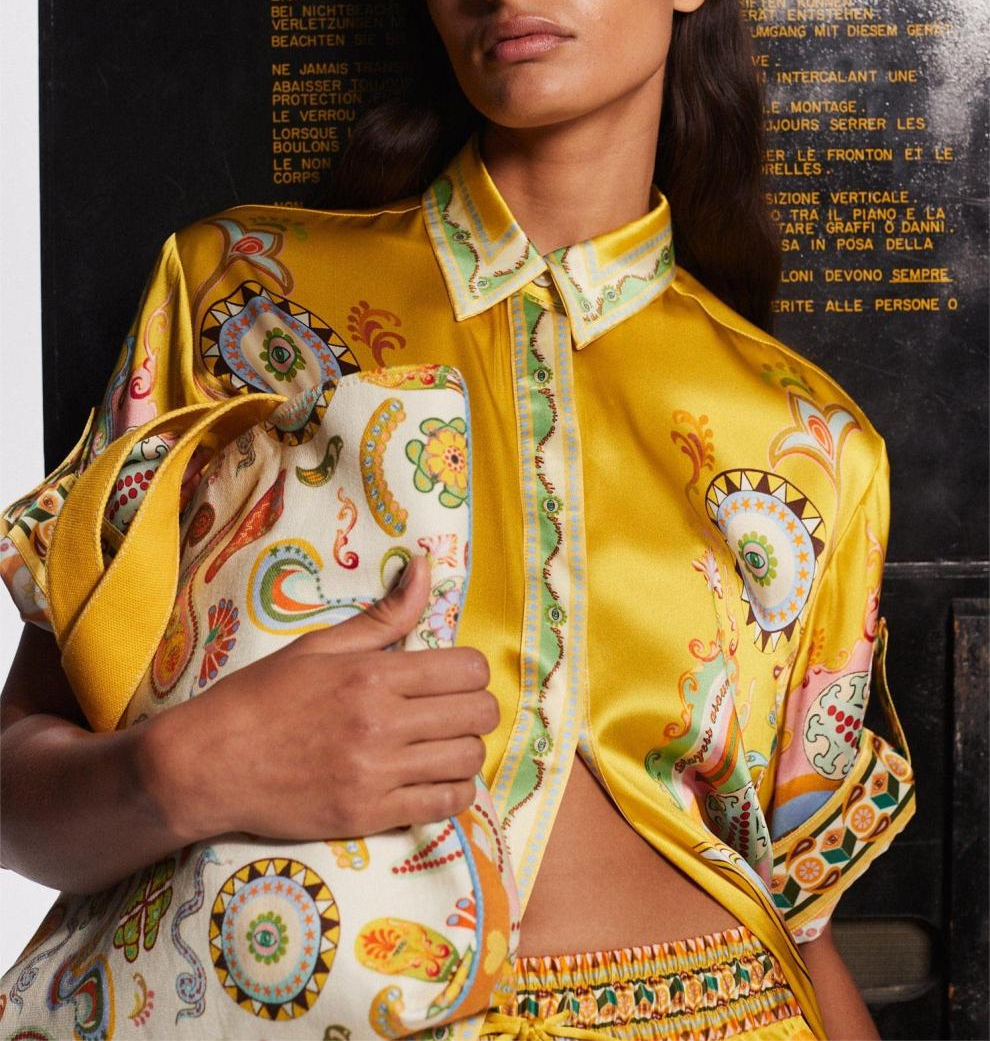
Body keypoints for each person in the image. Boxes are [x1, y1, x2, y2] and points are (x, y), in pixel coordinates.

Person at [0, 1, 916, 1038]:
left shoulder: (811, 436)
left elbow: (804, 923)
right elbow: (18, 788)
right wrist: (187, 771)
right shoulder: (237, 296)